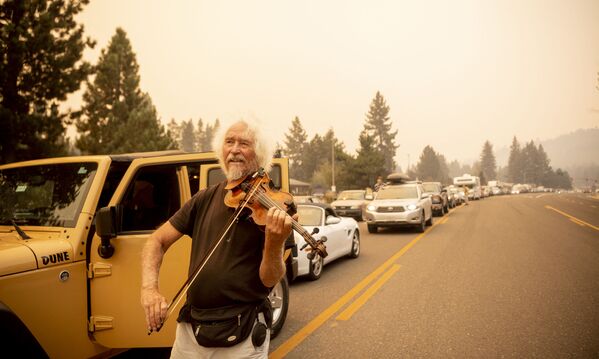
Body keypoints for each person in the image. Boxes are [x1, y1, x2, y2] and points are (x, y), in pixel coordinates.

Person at [140, 120, 294, 358]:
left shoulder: (274, 208)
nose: (234, 149)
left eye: (244, 143)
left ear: (260, 154)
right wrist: (149, 289)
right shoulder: (203, 198)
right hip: (191, 329)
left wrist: (274, 243)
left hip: (242, 332)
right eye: (229, 142)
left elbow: (269, 279)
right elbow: (156, 241)